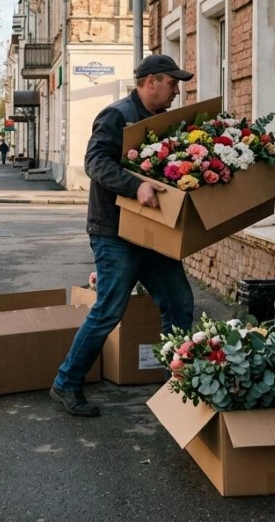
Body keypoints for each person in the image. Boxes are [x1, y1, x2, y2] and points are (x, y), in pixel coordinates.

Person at [51, 54, 197, 417]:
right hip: (114, 232)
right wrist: (135, 187)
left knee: (179, 304)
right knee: (109, 309)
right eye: (172, 82)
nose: (177, 90)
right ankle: (66, 383)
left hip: (155, 232)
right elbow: (95, 162)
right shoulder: (117, 115)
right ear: (150, 82)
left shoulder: (165, 121)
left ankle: (175, 388)